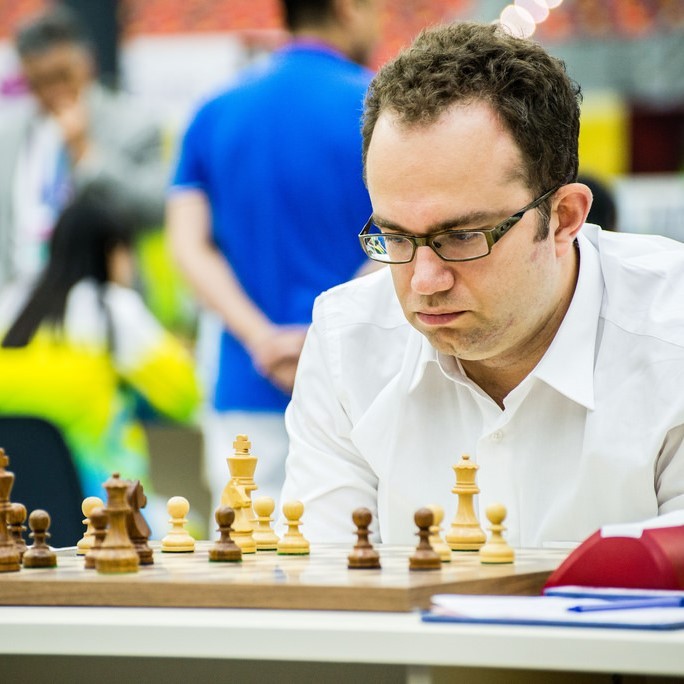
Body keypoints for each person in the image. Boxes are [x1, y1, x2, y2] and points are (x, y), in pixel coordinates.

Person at [279, 22, 684, 547]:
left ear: (563, 218)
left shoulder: (672, 332)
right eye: (396, 236)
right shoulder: (346, 342)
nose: (425, 280)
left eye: (463, 236)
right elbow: (328, 591)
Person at [166, 0, 380, 518]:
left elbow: (188, 245)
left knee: (247, 560)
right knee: (359, 555)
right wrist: (317, 335)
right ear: (349, 10)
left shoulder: (214, 110)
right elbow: (408, 239)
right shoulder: (385, 108)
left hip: (247, 380)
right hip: (363, 379)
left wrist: (262, 337)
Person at [0, 189, 201, 535]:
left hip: (13, 519)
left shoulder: (10, 303)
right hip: (102, 513)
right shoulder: (113, 309)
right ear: (114, 252)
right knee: (190, 529)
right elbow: (186, 397)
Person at [0, 5, 168, 290]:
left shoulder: (133, 124)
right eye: (39, 82)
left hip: (101, 309)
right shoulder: (8, 134)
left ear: (86, 63)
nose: (53, 91)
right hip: (16, 309)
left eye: (61, 76)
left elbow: (159, 207)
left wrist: (87, 155)